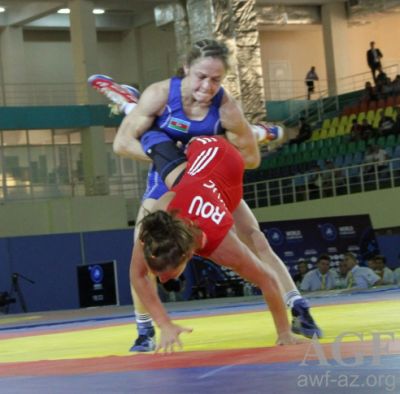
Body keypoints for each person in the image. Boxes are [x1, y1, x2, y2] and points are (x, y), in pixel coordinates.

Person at [90, 39, 321, 351]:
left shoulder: (227, 108)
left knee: (256, 238)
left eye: (216, 80)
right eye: (201, 77)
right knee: (143, 245)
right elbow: (121, 145)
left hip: (212, 179)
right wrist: (173, 158)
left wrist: (213, 154)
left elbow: (251, 161)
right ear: (186, 68)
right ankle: (145, 330)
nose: (207, 86)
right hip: (169, 177)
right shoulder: (161, 94)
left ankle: (298, 307)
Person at [132, 134, 305, 351]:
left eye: (169, 273)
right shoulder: (158, 221)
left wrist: (284, 332)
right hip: (198, 158)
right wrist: (164, 324)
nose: (163, 278)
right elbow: (137, 274)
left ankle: (260, 132)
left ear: (187, 255)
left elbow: (267, 279)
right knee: (152, 142)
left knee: (254, 236)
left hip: (225, 156)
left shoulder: (222, 244)